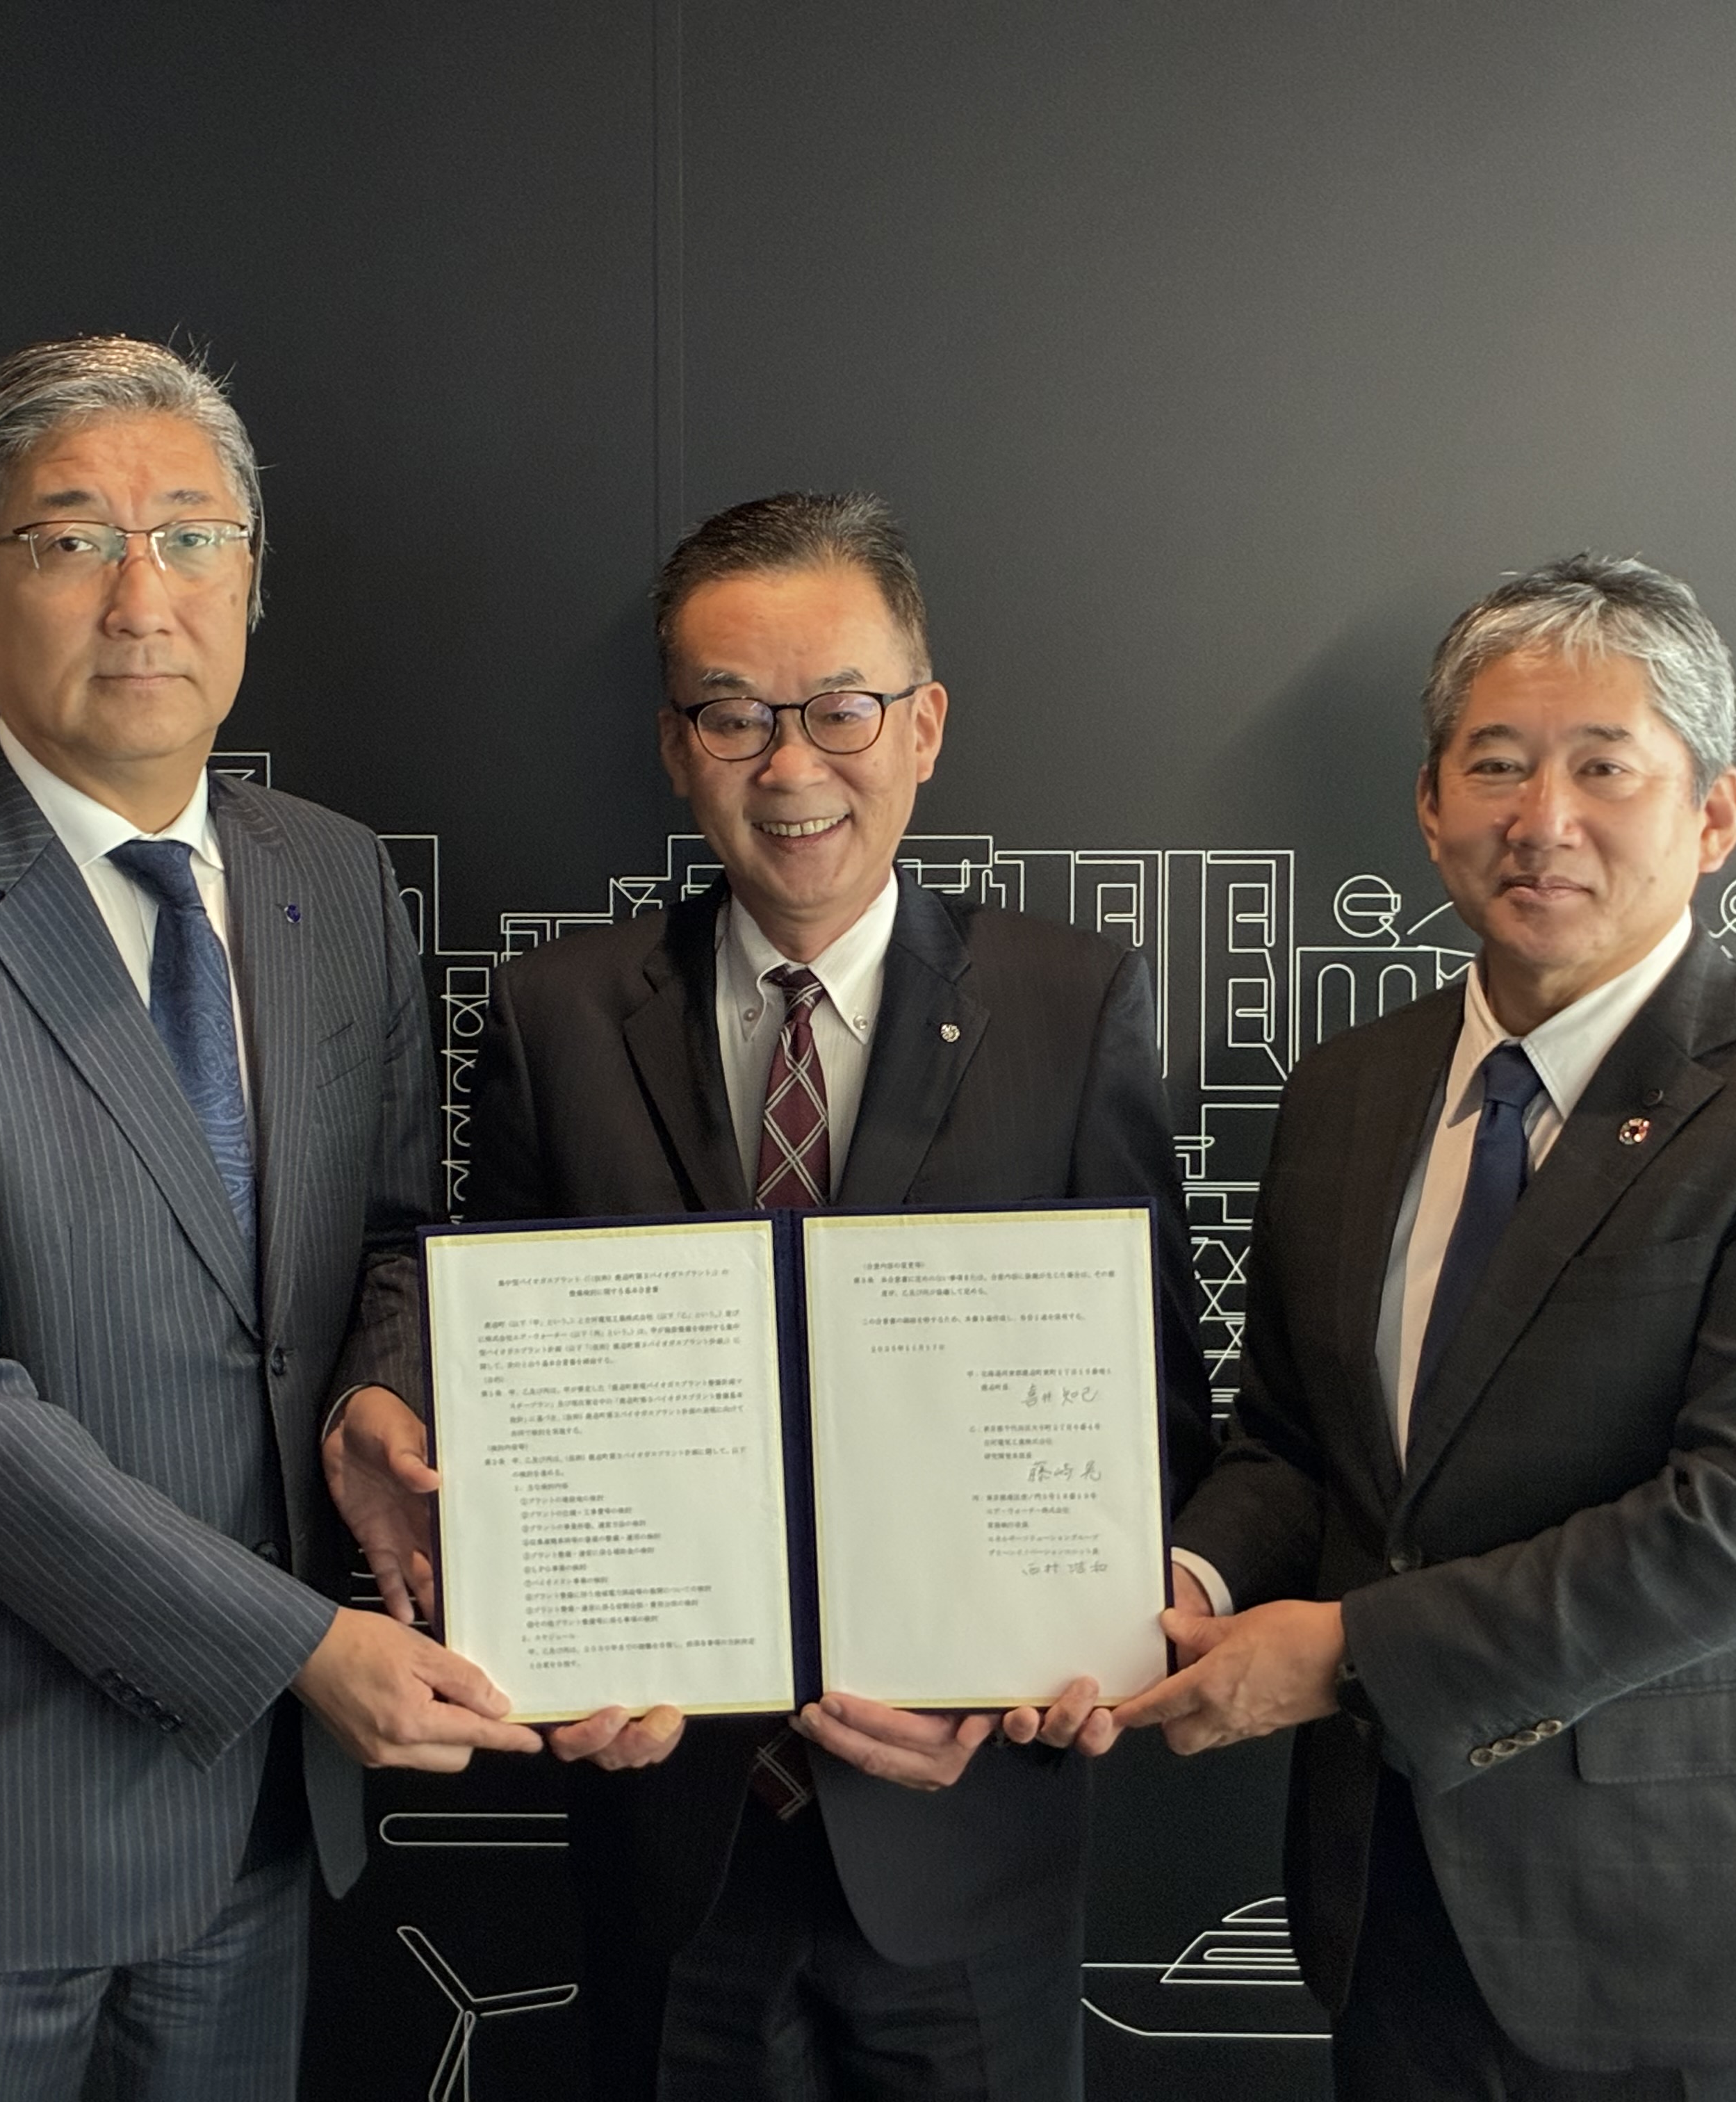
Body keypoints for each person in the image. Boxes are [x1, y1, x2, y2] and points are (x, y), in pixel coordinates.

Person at [340, 490, 1215, 2099]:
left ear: (924, 726)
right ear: (677, 748)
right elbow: (496, 1379)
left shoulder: (1072, 1003)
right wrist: (541, 1623)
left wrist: (1050, 1657)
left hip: (971, 1849)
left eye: (841, 710)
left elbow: (1155, 1419)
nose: (793, 767)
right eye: (735, 716)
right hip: (668, 1838)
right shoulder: (552, 1017)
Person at [0, 335, 538, 2101]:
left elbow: (393, 1234)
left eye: (191, 535)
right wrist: (300, 1646)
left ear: (248, 579)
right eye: (70, 539)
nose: (140, 594)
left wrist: (373, 1399)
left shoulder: (335, 880)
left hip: (252, 1826)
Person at [1104, 553, 1736, 2099]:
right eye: (1496, 765)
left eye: (1603, 767)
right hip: (1398, 1919)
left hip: (1709, 1939)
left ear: (1714, 815)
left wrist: (1348, 1656)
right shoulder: (1350, 1093)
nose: (1542, 818)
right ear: (1431, 807)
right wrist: (1171, 1583)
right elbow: (1296, 1445)